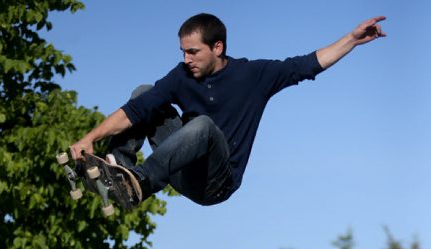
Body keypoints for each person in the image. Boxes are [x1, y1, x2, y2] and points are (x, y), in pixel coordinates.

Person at [70, 13, 386, 208]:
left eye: (193, 52)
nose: (186, 60)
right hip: (182, 170)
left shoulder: (254, 76)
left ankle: (139, 182)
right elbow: (135, 110)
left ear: (217, 47)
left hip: (217, 182)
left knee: (204, 126)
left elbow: (307, 65)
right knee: (145, 93)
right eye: (183, 52)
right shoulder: (180, 77)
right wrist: (90, 139)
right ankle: (119, 169)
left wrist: (351, 40)